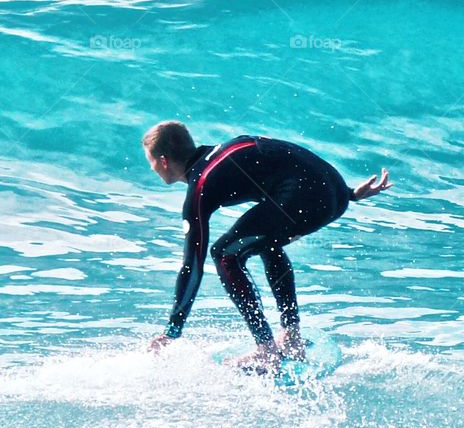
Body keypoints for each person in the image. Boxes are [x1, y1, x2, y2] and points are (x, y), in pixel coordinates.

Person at [144, 120, 392, 373]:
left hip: (311, 197)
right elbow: (292, 159)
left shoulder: (201, 185)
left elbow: (192, 264)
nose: (152, 168)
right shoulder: (223, 150)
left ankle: (266, 349)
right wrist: (348, 193)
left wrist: (173, 330)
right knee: (265, 241)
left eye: (151, 162)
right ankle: (291, 335)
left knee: (224, 254)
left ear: (163, 161)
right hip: (336, 193)